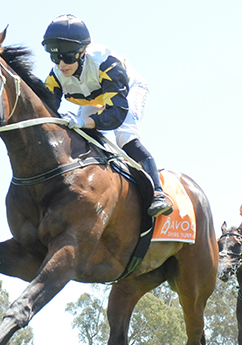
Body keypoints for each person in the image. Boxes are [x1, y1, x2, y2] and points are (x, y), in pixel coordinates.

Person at [41, 14, 173, 217]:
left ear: (83, 52)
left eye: (67, 56)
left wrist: (84, 121)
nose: (61, 64)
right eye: (55, 56)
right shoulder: (55, 76)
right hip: (96, 99)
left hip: (127, 92)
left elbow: (116, 115)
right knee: (79, 136)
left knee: (125, 137)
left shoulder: (106, 64)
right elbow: (46, 113)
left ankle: (158, 192)